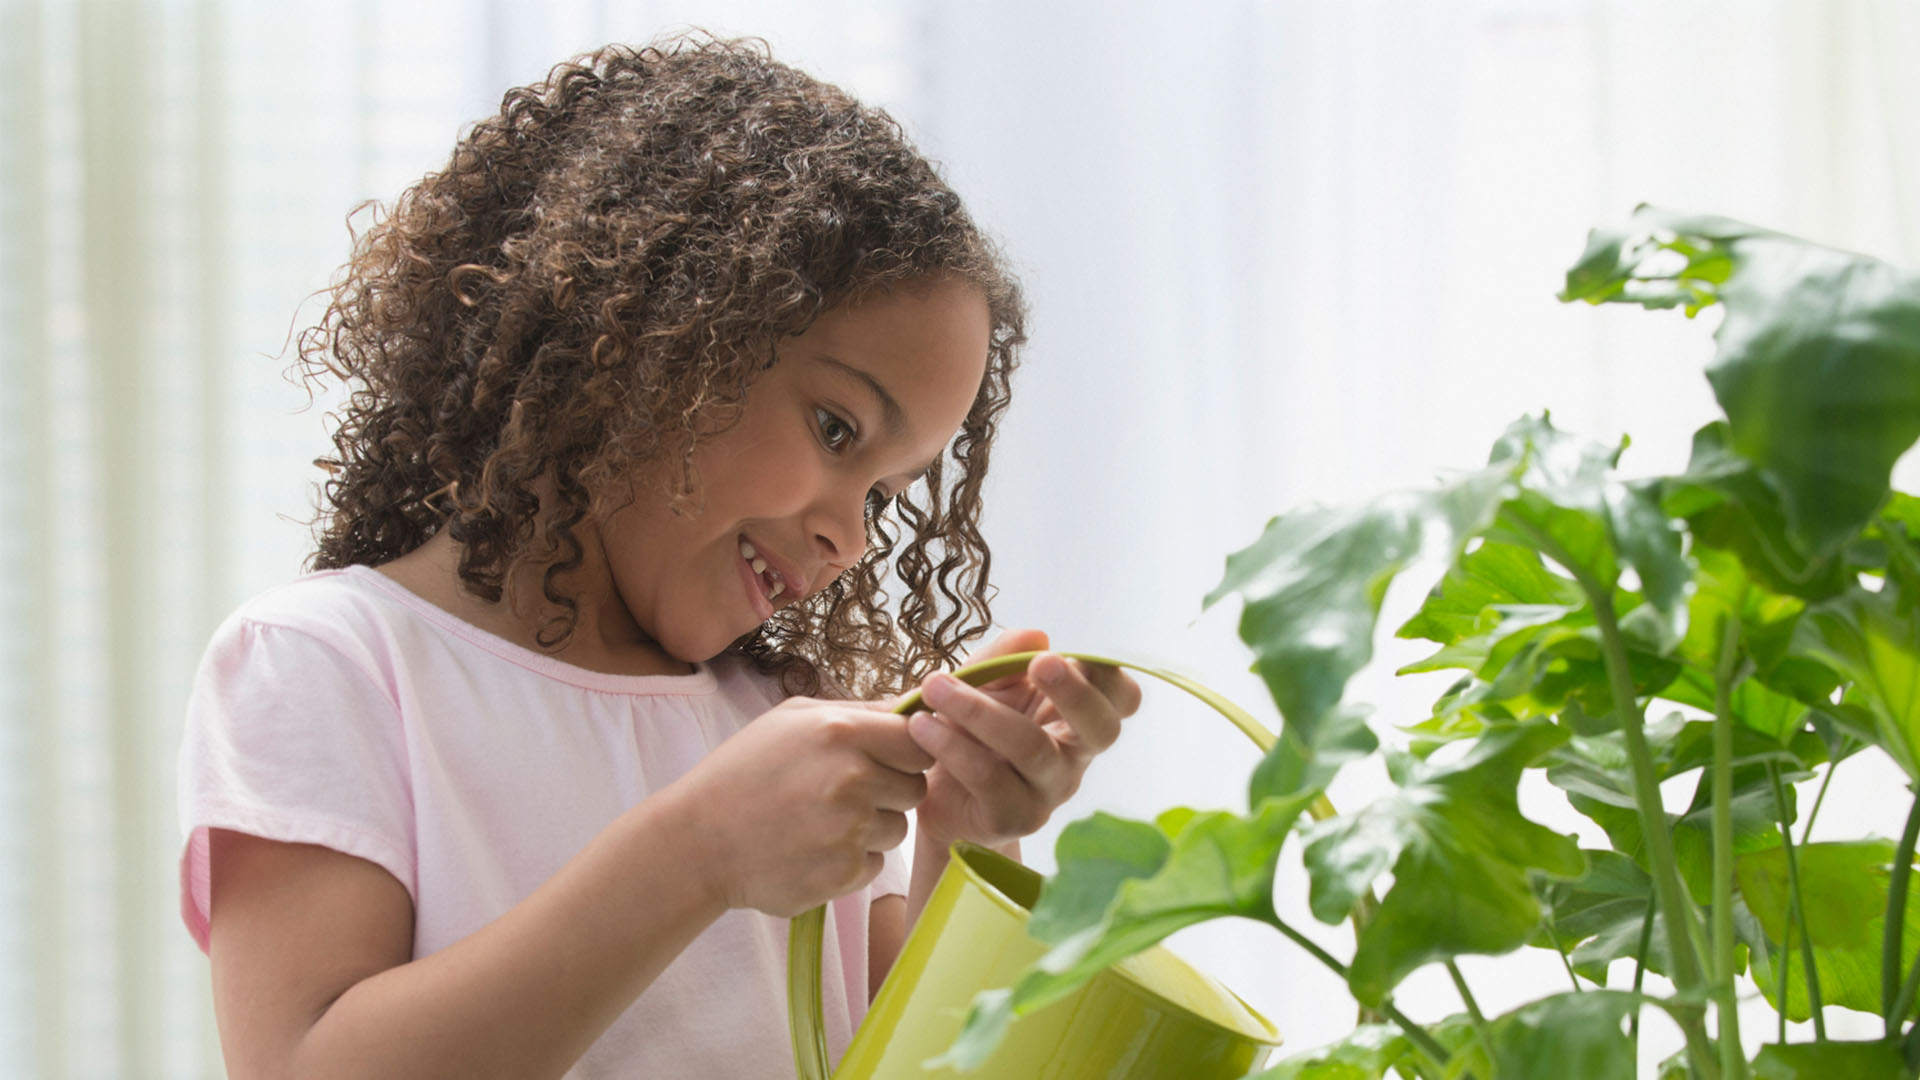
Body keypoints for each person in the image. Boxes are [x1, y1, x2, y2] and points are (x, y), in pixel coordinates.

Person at [177, 33, 1140, 1079]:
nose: (852, 535)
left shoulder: (778, 720)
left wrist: (969, 841)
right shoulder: (332, 664)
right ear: (656, 339)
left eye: (885, 494)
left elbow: (911, 1064)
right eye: (835, 428)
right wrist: (697, 854)